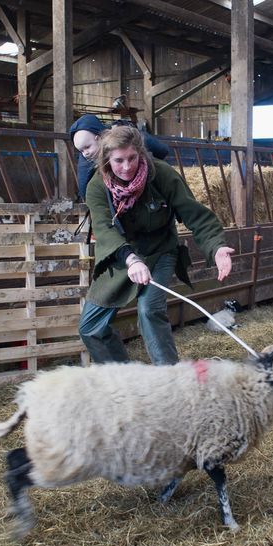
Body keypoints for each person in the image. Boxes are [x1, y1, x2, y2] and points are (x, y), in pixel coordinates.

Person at [79, 124, 234, 365]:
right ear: (107, 159)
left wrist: (217, 247)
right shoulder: (97, 187)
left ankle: (169, 378)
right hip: (120, 256)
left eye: (132, 158)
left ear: (141, 153)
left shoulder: (161, 174)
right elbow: (104, 229)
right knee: (90, 327)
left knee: (149, 311)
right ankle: (122, 378)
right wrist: (131, 259)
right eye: (119, 160)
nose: (127, 167)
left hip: (160, 250)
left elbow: (196, 215)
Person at [69, 113, 170, 199]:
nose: (85, 153)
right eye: (81, 150)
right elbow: (85, 192)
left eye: (87, 147)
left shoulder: (123, 137)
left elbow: (161, 150)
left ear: (99, 138)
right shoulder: (87, 157)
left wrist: (156, 165)